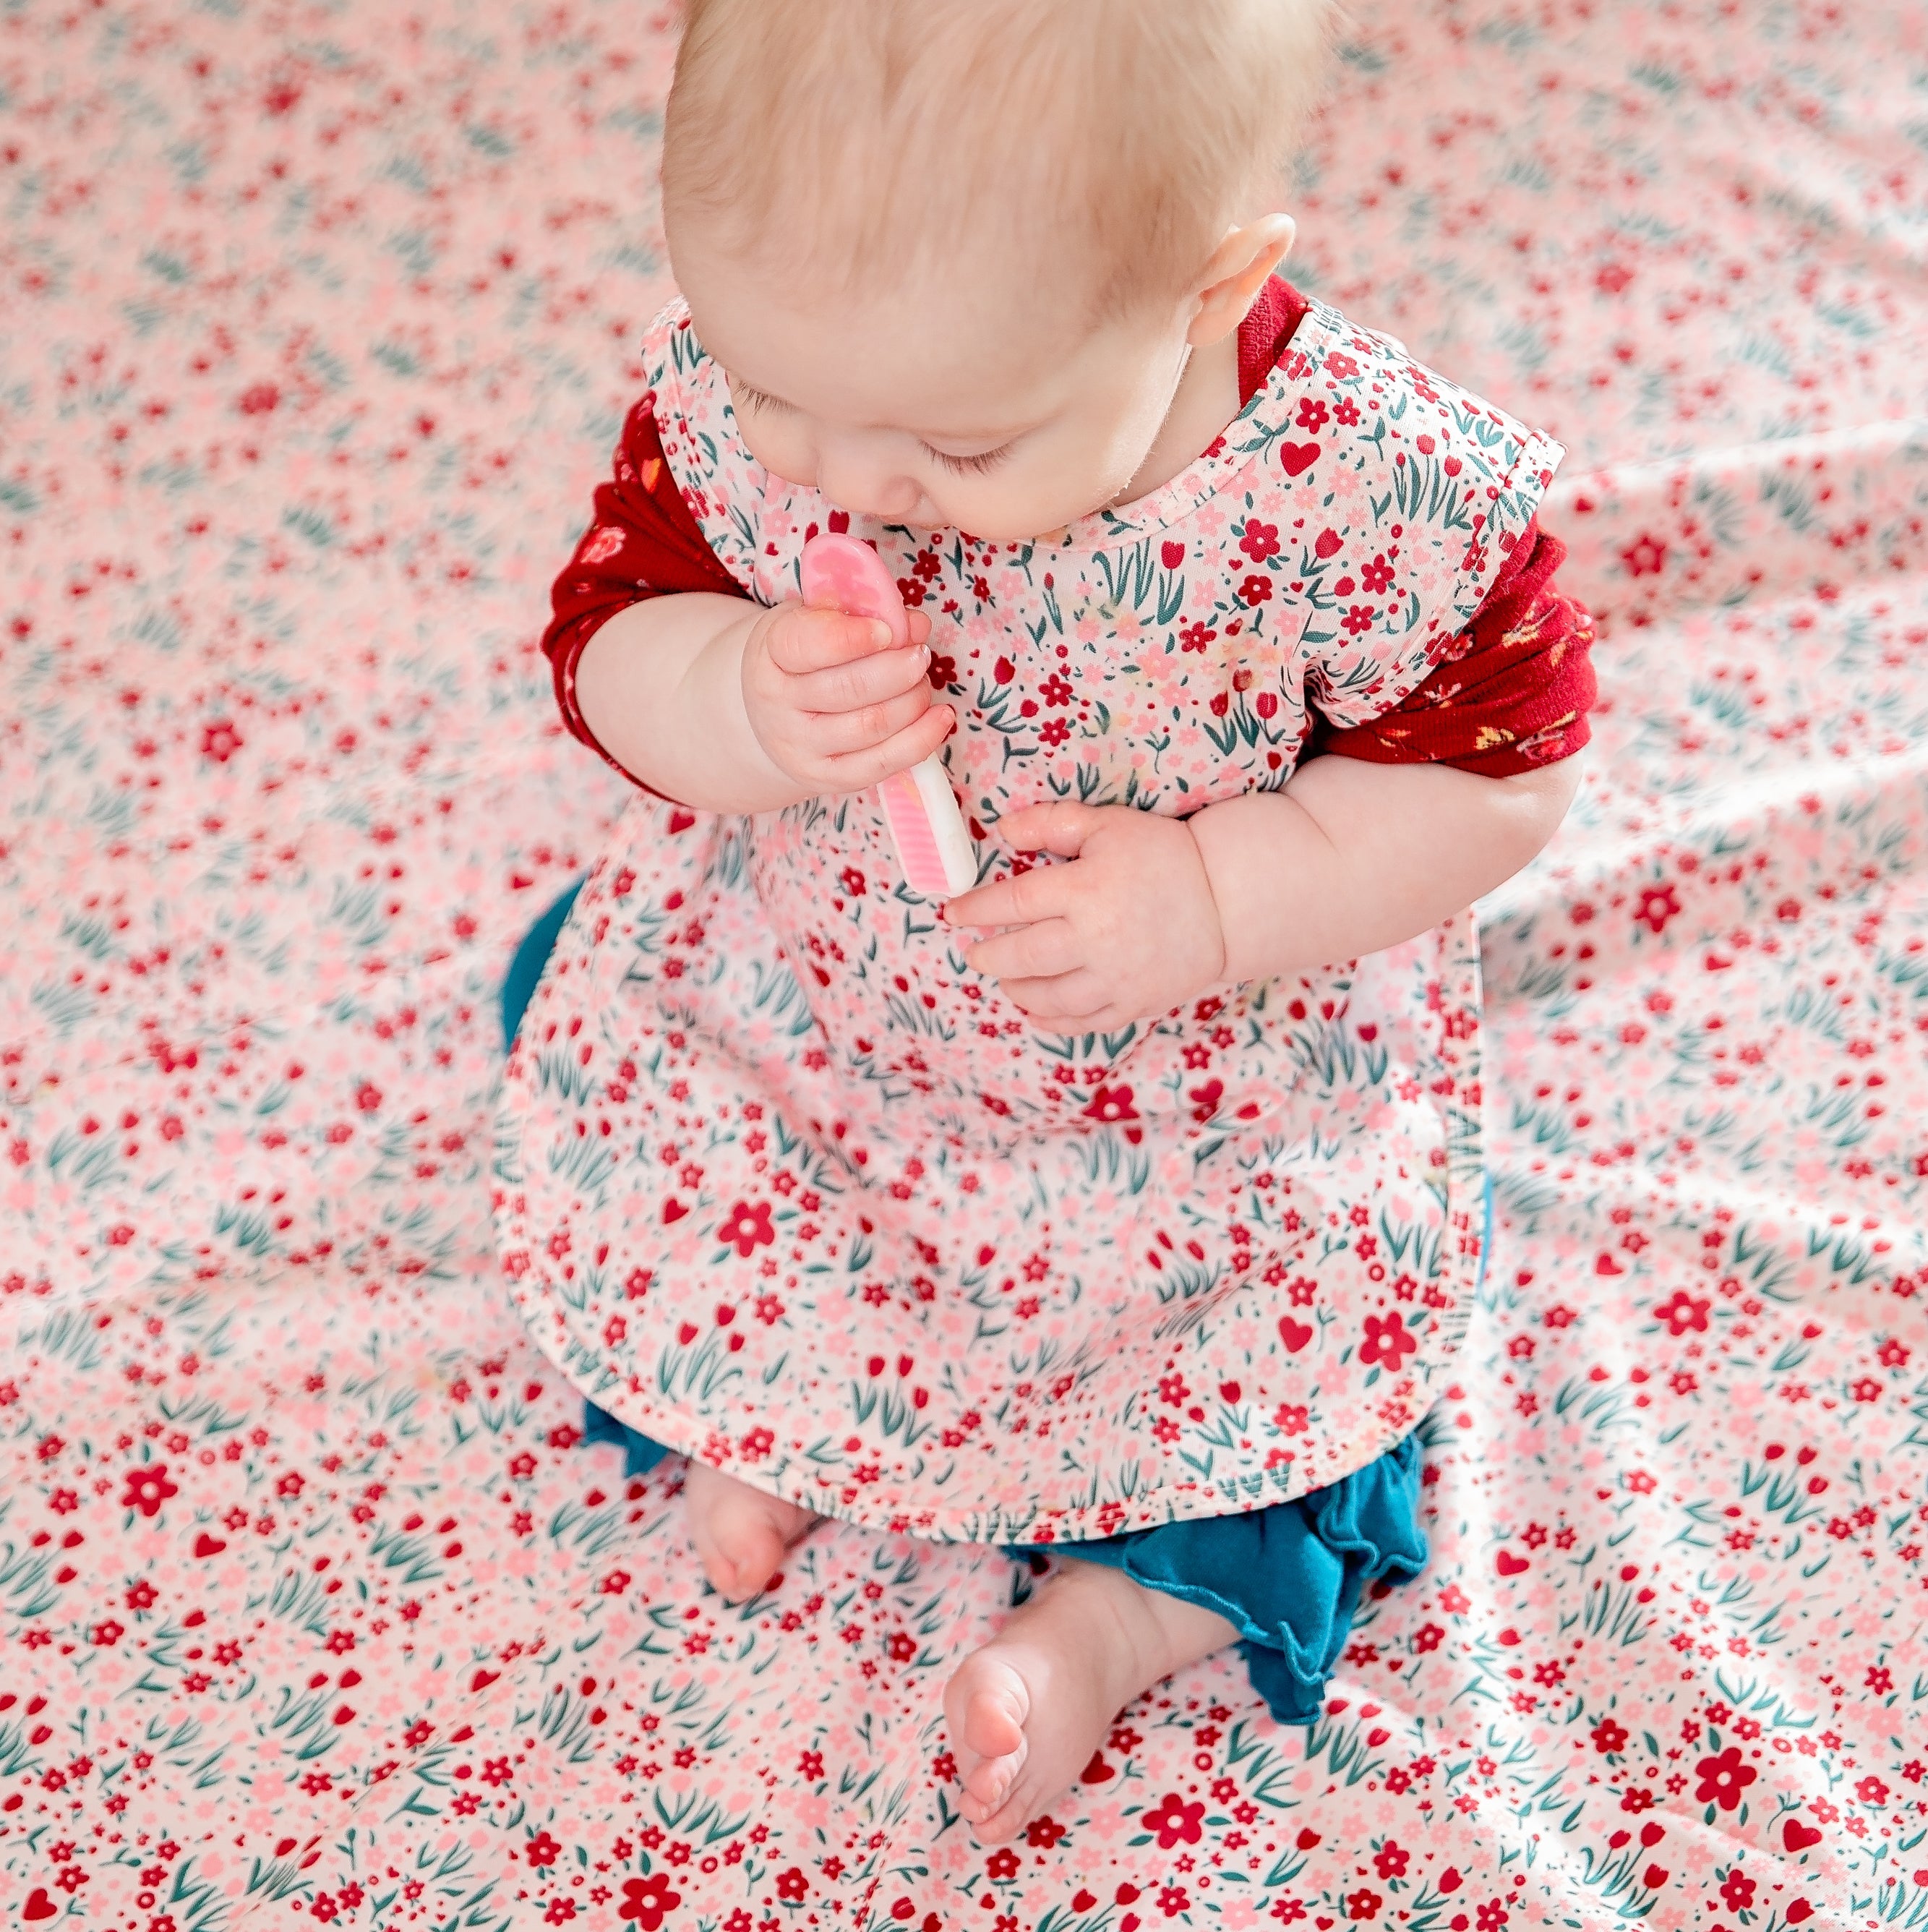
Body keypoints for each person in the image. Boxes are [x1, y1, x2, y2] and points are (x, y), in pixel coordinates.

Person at [493, 0, 1596, 1846]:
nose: (846, 481)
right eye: (776, 395)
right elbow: (606, 638)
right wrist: (731, 699)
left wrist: (1225, 890)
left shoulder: (1358, 492)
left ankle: (1107, 1621)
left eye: (956, 442)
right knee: (596, 1035)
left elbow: (1506, 771)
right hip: (833, 1036)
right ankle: (760, 1404)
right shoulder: (795, 378)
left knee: (1312, 1362)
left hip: (1196, 1120)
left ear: (1200, 286)